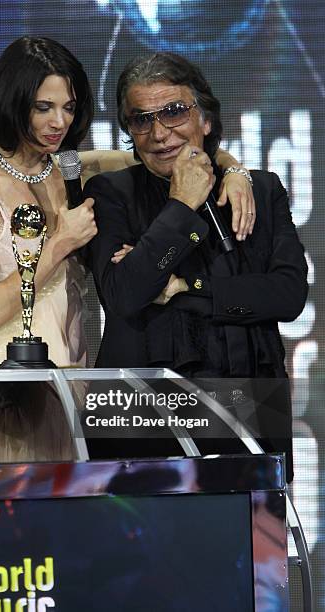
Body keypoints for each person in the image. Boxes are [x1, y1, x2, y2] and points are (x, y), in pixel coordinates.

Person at [0, 38, 256, 465]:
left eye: (69, 106)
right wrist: (60, 242)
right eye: (43, 107)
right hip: (7, 402)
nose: (58, 122)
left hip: (77, 394)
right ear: (12, 101)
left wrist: (234, 171)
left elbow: (165, 150)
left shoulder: (69, 170)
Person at [83, 52, 308, 480]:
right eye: (141, 119)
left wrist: (187, 286)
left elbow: (288, 294)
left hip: (250, 405)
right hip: (139, 414)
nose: (159, 132)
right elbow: (125, 294)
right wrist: (181, 206)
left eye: (173, 112)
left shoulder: (260, 189)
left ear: (205, 118)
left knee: (249, 544)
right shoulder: (112, 194)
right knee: (135, 545)